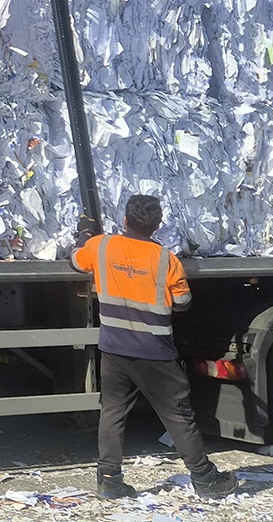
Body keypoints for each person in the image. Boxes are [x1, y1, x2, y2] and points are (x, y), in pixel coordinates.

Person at [72, 193, 236, 500]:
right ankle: (204, 479)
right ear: (157, 226)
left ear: (124, 220)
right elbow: (184, 302)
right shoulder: (166, 259)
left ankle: (109, 479)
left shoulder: (101, 245)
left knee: (112, 413)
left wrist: (84, 235)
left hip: (114, 348)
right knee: (178, 415)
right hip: (154, 352)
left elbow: (76, 261)